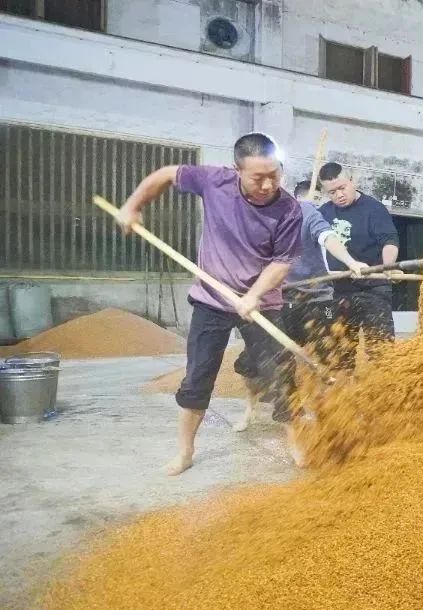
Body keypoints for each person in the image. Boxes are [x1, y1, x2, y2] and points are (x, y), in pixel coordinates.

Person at [114, 133, 302, 476]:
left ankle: (296, 444)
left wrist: (253, 296)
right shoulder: (215, 182)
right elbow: (166, 174)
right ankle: (185, 452)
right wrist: (133, 206)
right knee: (197, 377)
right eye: (258, 177)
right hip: (211, 300)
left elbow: (281, 262)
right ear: (236, 170)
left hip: (261, 301)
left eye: (274, 175)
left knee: (282, 374)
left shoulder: (289, 209)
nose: (267, 185)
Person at [254, 179, 367, 445]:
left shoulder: (306, 211)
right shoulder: (260, 219)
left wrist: (350, 261)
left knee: (331, 355)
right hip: (281, 301)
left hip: (318, 300)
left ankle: (337, 412)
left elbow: (327, 237)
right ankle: (292, 420)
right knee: (281, 362)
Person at [318, 162, 399, 365]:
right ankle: (342, 383)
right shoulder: (323, 213)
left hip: (374, 287)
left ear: (353, 180)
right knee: (339, 351)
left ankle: (383, 382)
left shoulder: (374, 209)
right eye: (332, 192)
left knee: (381, 349)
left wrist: (387, 267)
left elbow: (389, 241)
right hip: (339, 290)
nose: (339, 195)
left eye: (342, 188)